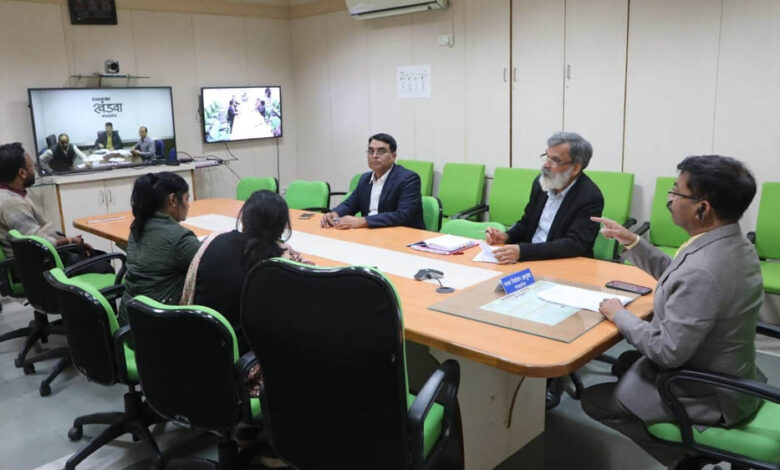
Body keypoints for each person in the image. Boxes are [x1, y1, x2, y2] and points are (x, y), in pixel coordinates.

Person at [582, 155, 763, 469]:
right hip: (733, 372)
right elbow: (679, 275)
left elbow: (667, 352)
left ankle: (684, 456)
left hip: (709, 393)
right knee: (626, 363)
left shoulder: (703, 270)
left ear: (702, 208)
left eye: (677, 191)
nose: (669, 199)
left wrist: (619, 314)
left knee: (594, 401)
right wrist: (633, 242)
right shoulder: (732, 243)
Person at [182, 190, 311, 348]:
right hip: (238, 350)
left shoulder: (214, 240)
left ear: (244, 218)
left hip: (197, 337)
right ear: (282, 226)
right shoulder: (277, 262)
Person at [486, 131, 604, 263]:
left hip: (563, 263)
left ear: (575, 168)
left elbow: (574, 244)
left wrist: (523, 251)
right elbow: (527, 222)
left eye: (555, 160)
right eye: (547, 156)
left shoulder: (590, 197)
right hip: (529, 258)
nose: (546, 165)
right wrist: (507, 237)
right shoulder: (541, 183)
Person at [0, 142, 111, 271]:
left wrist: (68, 241)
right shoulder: (12, 204)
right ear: (22, 173)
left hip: (42, 257)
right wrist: (70, 241)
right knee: (104, 266)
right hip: (41, 266)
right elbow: (38, 243)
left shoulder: (13, 194)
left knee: (98, 256)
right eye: (32, 166)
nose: (34, 170)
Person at [117, 172, 201, 325]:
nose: (188, 205)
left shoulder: (138, 226)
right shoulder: (180, 238)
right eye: (186, 199)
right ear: (173, 200)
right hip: (159, 328)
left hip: (129, 322)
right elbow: (211, 267)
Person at [321, 133, 424, 230]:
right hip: (371, 232)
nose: (374, 155)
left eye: (381, 151)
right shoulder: (365, 179)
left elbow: (403, 215)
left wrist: (363, 221)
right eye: (371, 151)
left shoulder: (408, 178)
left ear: (394, 156)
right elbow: (350, 204)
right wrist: (335, 213)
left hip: (401, 234)